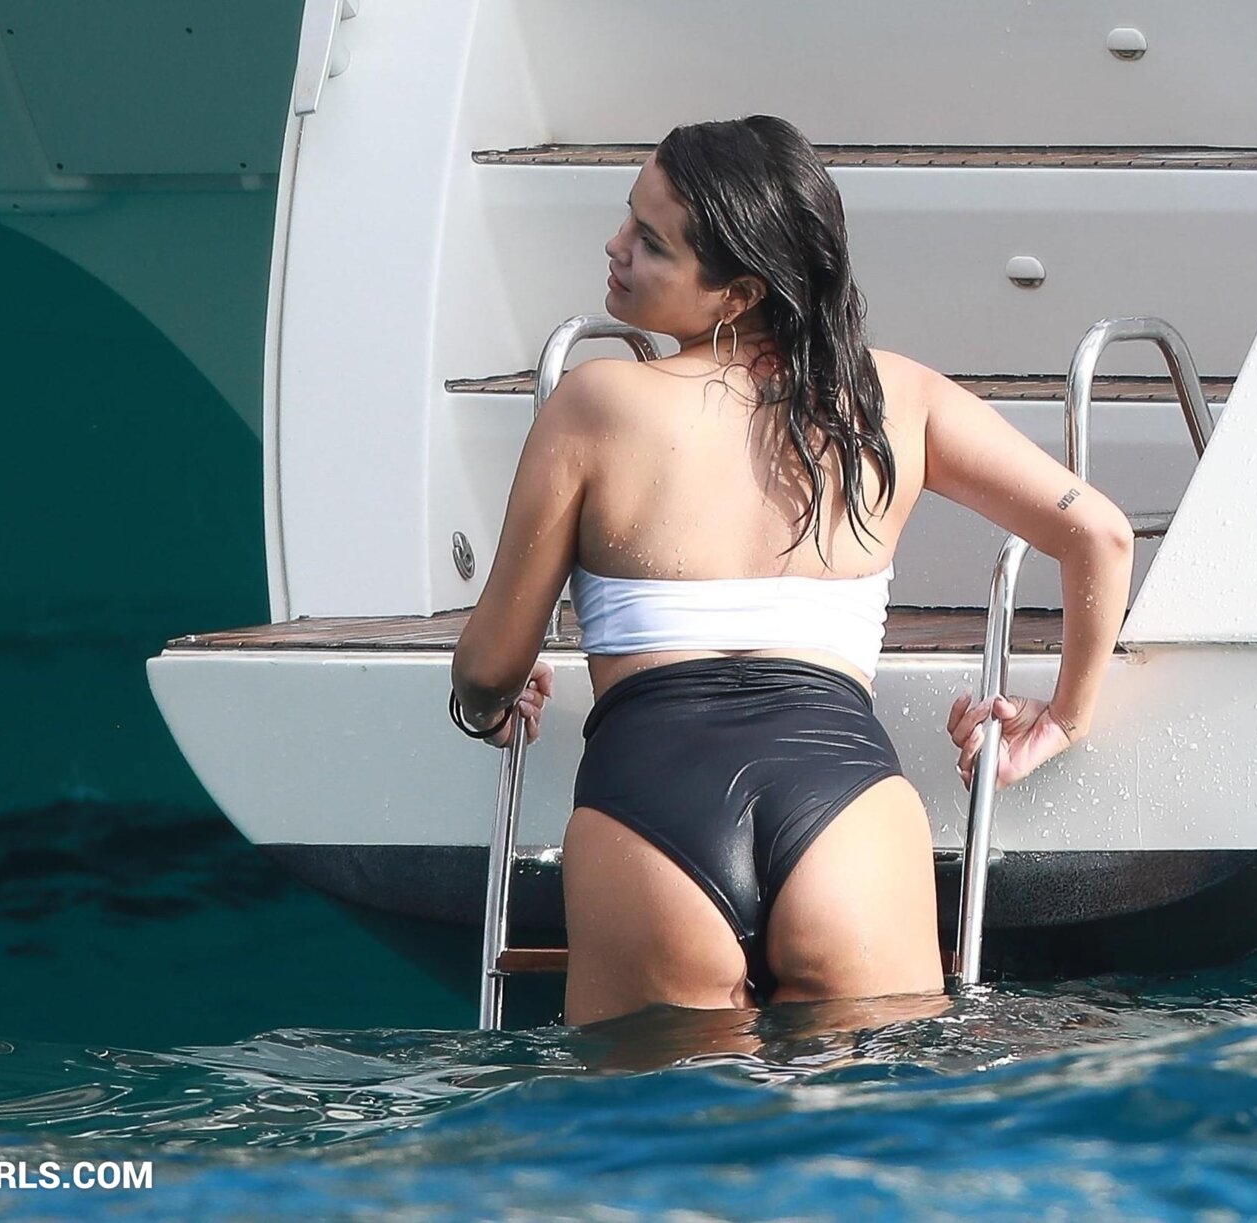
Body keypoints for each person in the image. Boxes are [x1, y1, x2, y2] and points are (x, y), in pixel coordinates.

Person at [450, 115, 1134, 1027]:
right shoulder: (893, 398)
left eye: (649, 240)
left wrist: (491, 708)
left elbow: (489, 664)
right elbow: (1101, 535)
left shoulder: (595, 403)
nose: (615, 246)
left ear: (738, 292)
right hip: (845, 805)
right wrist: (1066, 719)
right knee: (873, 1112)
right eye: (628, 219)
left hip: (648, 802)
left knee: (652, 1113)